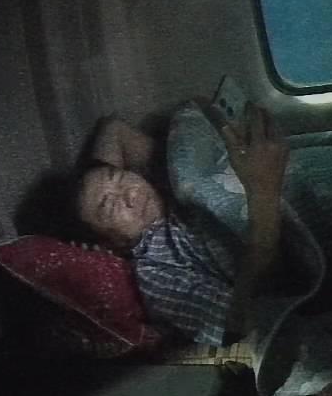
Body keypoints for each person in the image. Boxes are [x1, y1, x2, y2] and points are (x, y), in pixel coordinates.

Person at [74, 104, 287, 349]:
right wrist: (263, 192)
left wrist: (100, 175)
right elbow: (239, 325)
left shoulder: (170, 184)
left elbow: (113, 128)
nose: (130, 194)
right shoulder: (154, 273)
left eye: (121, 177)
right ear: (112, 244)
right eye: (111, 206)